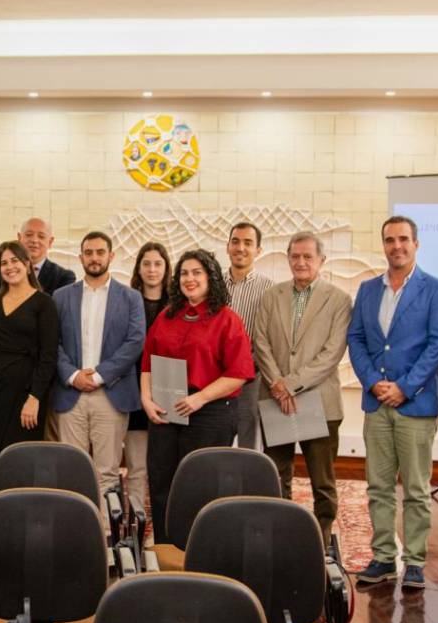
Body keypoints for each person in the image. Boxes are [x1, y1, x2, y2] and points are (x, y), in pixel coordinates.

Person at [348, 216, 438, 590]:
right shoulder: (367, 290)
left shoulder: (436, 290)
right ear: (384, 245)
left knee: (416, 488)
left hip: (416, 404)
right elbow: (356, 339)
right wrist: (375, 382)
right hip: (376, 404)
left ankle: (415, 561)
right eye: (390, 240)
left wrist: (404, 387)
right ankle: (383, 557)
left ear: (416, 244)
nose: (397, 246)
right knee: (377, 485)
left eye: (404, 239)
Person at [141, 249, 254, 543]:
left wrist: (199, 398)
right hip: (165, 409)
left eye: (196, 273)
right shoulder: (167, 315)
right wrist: (146, 399)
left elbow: (239, 373)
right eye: (184, 274)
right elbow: (147, 362)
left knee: (199, 486)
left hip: (209, 412)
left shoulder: (227, 319)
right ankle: (166, 549)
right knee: (162, 481)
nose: (189, 279)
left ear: (210, 277)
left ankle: (200, 550)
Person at [252, 232, 352, 546]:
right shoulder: (271, 296)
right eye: (295, 256)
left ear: (321, 260)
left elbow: (332, 353)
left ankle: (321, 536)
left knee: (322, 480)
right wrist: (277, 384)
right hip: (274, 399)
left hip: (318, 401)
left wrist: (290, 385)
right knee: (277, 473)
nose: (301, 262)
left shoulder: (338, 300)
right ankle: (282, 531)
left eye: (308, 256)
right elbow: (260, 342)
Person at [51, 231, 145, 503]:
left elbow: (135, 341)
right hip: (72, 394)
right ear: (80, 257)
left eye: (100, 252)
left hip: (111, 393)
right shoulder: (61, 297)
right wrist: (73, 375)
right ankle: (75, 531)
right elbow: (52, 343)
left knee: (107, 471)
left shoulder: (130, 297)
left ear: (111, 256)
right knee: (71, 469)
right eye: (89, 253)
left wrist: (101, 375)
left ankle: (105, 534)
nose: (94, 258)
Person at [0, 241, 59, 481]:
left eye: (15, 261)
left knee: (22, 461)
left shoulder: (44, 303)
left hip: (25, 394)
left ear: (28, 265)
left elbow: (48, 357)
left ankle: (21, 512)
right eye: (4, 263)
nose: (9, 267)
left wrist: (35, 397)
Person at [124, 241, 171, 517]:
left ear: (166, 269)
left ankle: (164, 523)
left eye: (158, 264)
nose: (152, 270)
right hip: (133, 394)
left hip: (167, 393)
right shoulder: (127, 301)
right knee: (136, 465)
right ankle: (136, 520)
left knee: (165, 467)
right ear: (138, 268)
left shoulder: (177, 305)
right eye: (146, 264)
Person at [225, 221, 274, 450]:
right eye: (235, 241)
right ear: (227, 247)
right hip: (215, 380)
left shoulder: (269, 290)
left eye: (248, 243)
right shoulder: (212, 285)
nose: (240, 248)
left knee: (249, 443)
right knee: (217, 441)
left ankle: (247, 487)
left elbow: (269, 338)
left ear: (258, 250)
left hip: (251, 379)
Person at [19, 217, 77, 293]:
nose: (34, 240)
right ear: (19, 238)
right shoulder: (1, 275)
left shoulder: (64, 277)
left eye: (41, 236)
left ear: (50, 242)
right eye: (29, 235)